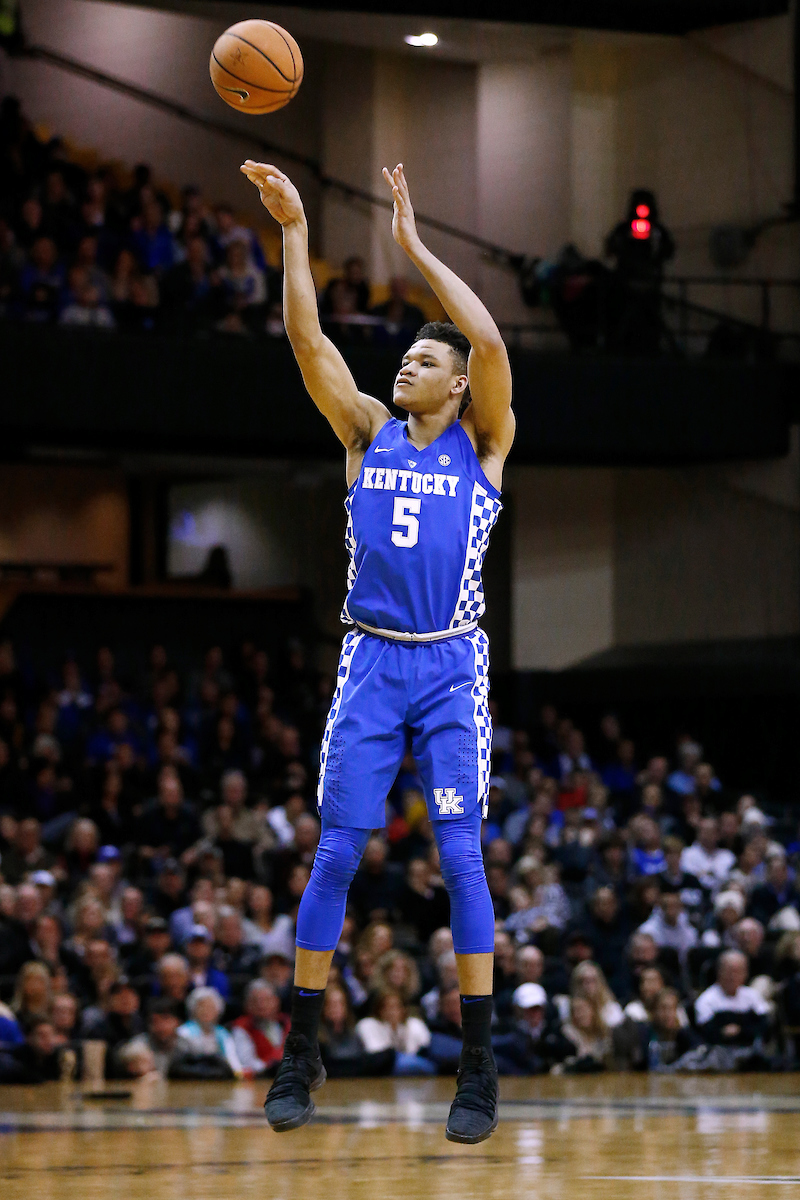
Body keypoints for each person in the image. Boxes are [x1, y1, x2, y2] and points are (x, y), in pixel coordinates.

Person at [241, 156, 514, 1144]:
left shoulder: (481, 442)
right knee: (335, 854)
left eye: (423, 360)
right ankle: (300, 1055)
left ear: (457, 386)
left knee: (460, 858)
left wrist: (413, 248)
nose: (408, 363)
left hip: (448, 665)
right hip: (369, 661)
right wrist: (295, 230)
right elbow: (306, 338)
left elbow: (484, 336)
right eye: (402, 355)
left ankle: (477, 1072)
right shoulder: (365, 430)